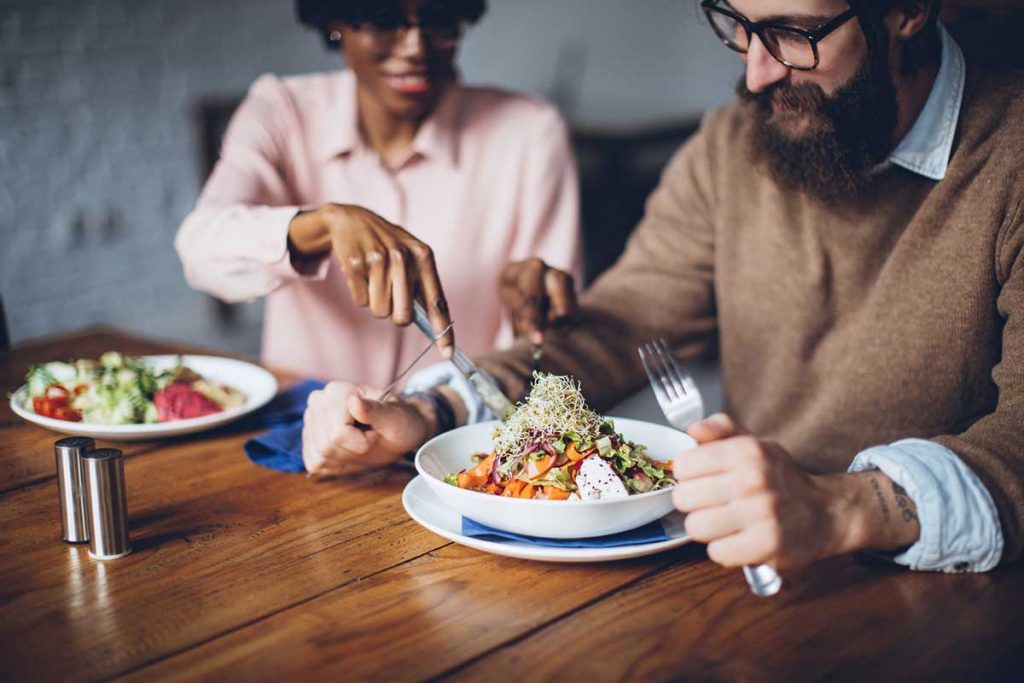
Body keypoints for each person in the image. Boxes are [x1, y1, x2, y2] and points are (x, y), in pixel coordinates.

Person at [302, 0, 1024, 575]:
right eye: (739, 28)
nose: (758, 74)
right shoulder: (732, 144)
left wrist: (843, 508)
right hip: (750, 576)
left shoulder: (1011, 157)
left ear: (908, 12)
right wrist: (429, 412)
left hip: (959, 602)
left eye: (794, 34)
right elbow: (615, 329)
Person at [175, 0, 580, 385]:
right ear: (334, 21)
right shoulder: (283, 110)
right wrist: (322, 225)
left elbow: (549, 348)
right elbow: (200, 248)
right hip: (303, 426)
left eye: (438, 19)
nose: (415, 48)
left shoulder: (530, 132)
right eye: (382, 20)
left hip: (460, 434)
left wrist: (532, 308)